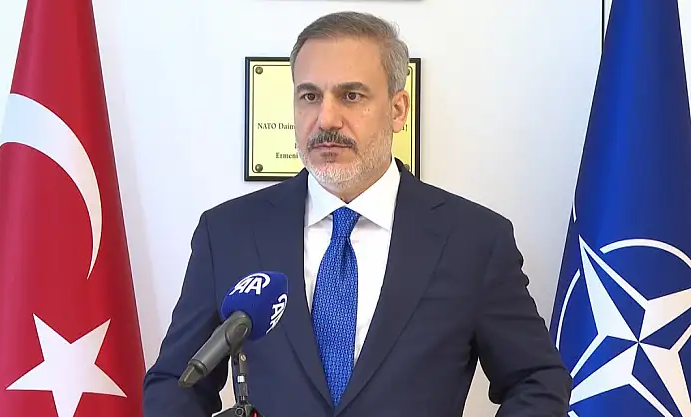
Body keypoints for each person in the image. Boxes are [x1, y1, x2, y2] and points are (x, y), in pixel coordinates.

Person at [142, 11, 572, 417]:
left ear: (398, 110)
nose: (326, 118)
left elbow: (537, 380)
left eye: (351, 96)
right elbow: (175, 385)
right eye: (310, 96)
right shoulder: (228, 233)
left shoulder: (474, 240)